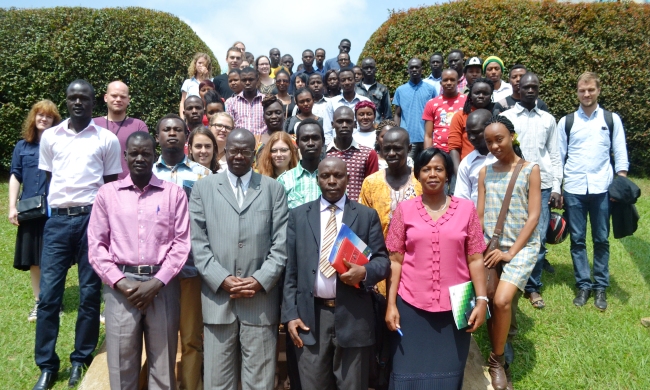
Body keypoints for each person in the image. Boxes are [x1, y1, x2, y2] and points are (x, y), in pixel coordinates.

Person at [33, 80, 122, 390]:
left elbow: (111, 184)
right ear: (67, 101)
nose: (78, 102)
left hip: (91, 220)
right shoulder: (50, 138)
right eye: (73, 97)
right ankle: (46, 364)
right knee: (48, 297)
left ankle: (79, 359)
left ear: (93, 101)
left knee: (88, 293)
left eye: (84, 97)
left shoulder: (107, 139)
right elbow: (47, 179)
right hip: (57, 222)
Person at [88, 132, 190, 390]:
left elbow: (181, 244)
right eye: (134, 153)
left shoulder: (174, 194)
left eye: (146, 153)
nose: (140, 158)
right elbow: (97, 246)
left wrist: (156, 283)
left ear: (155, 156)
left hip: (162, 289)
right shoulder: (107, 194)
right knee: (122, 367)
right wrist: (121, 283)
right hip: (121, 289)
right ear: (125, 157)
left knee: (163, 366)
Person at [188, 128, 288, 389]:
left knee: (260, 383)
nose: (239, 156)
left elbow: (281, 244)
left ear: (254, 153)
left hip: (260, 302)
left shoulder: (273, 189)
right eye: (233, 150)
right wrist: (222, 279)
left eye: (245, 150)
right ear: (225, 152)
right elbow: (198, 244)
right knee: (217, 382)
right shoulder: (203, 188)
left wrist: (259, 280)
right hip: (218, 301)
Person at [282, 156, 390, 389]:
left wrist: (364, 272)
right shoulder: (299, 216)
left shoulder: (365, 216)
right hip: (310, 318)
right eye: (325, 176)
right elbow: (290, 270)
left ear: (348, 179)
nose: (332, 181)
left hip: (354, 316)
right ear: (318, 180)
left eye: (338, 176)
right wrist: (290, 315)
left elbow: (383, 261)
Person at [385, 147, 488, 389]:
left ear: (448, 174)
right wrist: (391, 304)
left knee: (449, 375)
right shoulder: (404, 211)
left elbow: (475, 258)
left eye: (439, 169)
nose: (432, 174)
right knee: (407, 372)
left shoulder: (466, 210)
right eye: (426, 169)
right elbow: (395, 260)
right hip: (410, 305)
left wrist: (482, 300)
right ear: (417, 175)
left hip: (457, 306)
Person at [477, 116, 541, 390]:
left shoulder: (530, 169)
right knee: (489, 298)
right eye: (489, 141)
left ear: (512, 136)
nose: (494, 146)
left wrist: (510, 252)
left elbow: (534, 216)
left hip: (521, 247)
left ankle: (497, 360)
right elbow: (479, 215)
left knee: (502, 300)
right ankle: (502, 339)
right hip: (491, 246)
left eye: (499, 139)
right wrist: (479, 248)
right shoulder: (485, 172)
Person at [558, 71, 629, 311]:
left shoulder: (610, 119)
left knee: (601, 239)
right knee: (577, 239)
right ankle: (583, 285)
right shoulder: (567, 122)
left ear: (598, 90)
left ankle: (600, 286)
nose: (586, 94)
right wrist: (559, 186)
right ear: (577, 92)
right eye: (582, 90)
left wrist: (621, 181)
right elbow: (559, 156)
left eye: (590, 90)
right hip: (575, 189)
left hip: (602, 188)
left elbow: (619, 151)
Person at [153, 114, 211, 390]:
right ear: (158, 137)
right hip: (156, 272)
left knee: (190, 338)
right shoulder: (146, 173)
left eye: (178, 129)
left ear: (185, 137)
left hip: (191, 268)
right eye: (167, 130)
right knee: (160, 339)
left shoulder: (203, 175)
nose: (172, 134)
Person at [500, 72, 562, 312]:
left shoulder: (548, 119)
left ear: (538, 89)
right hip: (513, 182)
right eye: (525, 86)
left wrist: (557, 185)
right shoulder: (506, 117)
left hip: (543, 183)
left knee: (538, 235)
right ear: (518, 87)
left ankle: (532, 286)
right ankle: (511, 277)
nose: (529, 90)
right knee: (512, 231)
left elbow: (554, 154)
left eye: (534, 87)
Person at [9, 100, 61, 322]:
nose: (44, 119)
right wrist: (12, 206)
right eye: (40, 115)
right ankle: (39, 302)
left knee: (54, 258)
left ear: (54, 121)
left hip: (55, 209)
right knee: (34, 260)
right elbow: (15, 175)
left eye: (48, 116)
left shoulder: (60, 145)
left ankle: (53, 301)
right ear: (34, 118)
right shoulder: (22, 146)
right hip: (30, 211)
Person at [359, 128, 422, 296]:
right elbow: (363, 228)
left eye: (397, 148)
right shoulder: (371, 183)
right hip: (380, 263)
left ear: (408, 149)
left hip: (416, 262)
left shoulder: (421, 181)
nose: (392, 153)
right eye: (387, 149)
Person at [93, 80, 149, 179]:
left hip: (129, 187)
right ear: (106, 98)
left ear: (128, 100)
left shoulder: (139, 126)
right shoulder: (93, 125)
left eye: (123, 97)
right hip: (96, 186)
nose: (118, 99)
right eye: (114, 96)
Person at [326, 106, 378, 201]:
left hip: (358, 212)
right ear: (333, 124)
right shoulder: (323, 153)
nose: (344, 125)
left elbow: (373, 188)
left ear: (354, 124)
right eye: (340, 121)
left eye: (348, 121)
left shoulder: (368, 154)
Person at [392, 58, 437, 160]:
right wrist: (398, 133)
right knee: (408, 168)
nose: (414, 69)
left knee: (426, 166)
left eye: (417, 67)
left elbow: (435, 113)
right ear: (407, 70)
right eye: (411, 67)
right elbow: (397, 114)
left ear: (422, 69)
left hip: (427, 138)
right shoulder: (400, 90)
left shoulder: (430, 89)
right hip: (408, 139)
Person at [448, 78, 495, 172]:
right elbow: (454, 146)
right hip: (467, 167)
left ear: (491, 95)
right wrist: (458, 171)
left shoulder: (497, 115)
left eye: (485, 93)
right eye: (477, 93)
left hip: (494, 167)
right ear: (470, 95)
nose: (481, 96)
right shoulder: (460, 116)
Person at [278, 119, 325, 209]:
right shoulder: (284, 180)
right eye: (305, 139)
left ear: (323, 141)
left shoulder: (333, 179)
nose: (310, 143)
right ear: (297, 143)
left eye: (315, 138)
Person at [454, 109, 497, 204]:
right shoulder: (466, 163)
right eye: (469, 133)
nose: (472, 138)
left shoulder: (504, 157)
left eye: (477, 132)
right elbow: (462, 199)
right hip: (477, 217)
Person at [423, 68, 467, 152]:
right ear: (441, 83)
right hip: (439, 152)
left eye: (452, 80)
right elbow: (428, 135)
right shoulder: (431, 103)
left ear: (458, 82)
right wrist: (428, 157)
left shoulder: (466, 101)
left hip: (461, 150)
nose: (449, 83)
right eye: (445, 80)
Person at [325, 67, 371, 146]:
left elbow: (370, 125)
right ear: (339, 83)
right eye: (343, 80)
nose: (347, 82)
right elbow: (327, 129)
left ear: (355, 80)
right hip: (338, 146)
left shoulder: (365, 101)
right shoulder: (332, 103)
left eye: (350, 79)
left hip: (362, 145)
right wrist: (330, 148)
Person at [226, 67, 266, 136]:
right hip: (240, 143)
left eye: (251, 79)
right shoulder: (231, 102)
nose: (247, 82)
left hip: (262, 143)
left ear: (257, 79)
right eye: (244, 80)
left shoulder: (265, 99)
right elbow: (229, 126)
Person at [356, 57, 393, 122]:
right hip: (358, 127)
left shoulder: (383, 89)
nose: (369, 70)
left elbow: (388, 114)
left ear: (375, 69)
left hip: (376, 127)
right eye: (366, 68)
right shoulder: (354, 88)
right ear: (361, 71)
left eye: (371, 68)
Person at [180, 53, 213, 117]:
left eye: (204, 64)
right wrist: (182, 118)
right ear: (195, 64)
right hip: (191, 116)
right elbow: (182, 102)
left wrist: (206, 77)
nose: (201, 65)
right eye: (199, 63)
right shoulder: (188, 82)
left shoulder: (212, 81)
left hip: (207, 116)